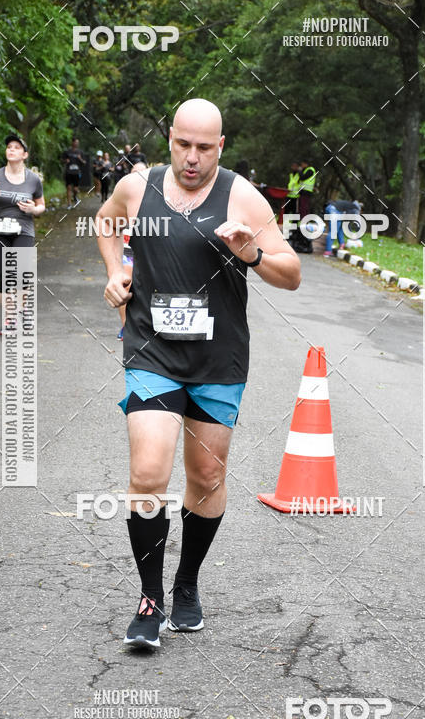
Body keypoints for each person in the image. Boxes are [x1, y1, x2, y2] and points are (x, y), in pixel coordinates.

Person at [96, 98, 301, 651]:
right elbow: (106, 223)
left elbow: (292, 273)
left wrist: (252, 252)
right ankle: (150, 598)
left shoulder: (240, 195)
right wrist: (116, 274)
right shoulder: (140, 188)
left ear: (221, 147)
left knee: (206, 478)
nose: (191, 158)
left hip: (218, 359)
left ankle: (186, 584)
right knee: (147, 472)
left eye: (204, 148)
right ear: (169, 138)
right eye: (183, 144)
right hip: (152, 351)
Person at [0, 134, 45, 333]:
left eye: (16, 147)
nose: (11, 150)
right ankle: (9, 319)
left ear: (24, 154)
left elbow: (41, 206)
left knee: (22, 276)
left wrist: (32, 209)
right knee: (4, 277)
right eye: (9, 146)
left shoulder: (33, 179)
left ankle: (23, 311)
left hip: (24, 231)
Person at [117, 161, 148, 340]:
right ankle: (125, 325)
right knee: (125, 285)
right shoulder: (122, 197)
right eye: (135, 173)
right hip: (128, 251)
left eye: (142, 173)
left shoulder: (158, 196)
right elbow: (109, 224)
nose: (138, 176)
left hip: (148, 252)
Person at [62, 137, 86, 207]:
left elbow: (84, 162)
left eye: (78, 143)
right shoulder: (67, 152)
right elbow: (62, 160)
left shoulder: (80, 152)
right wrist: (65, 161)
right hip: (68, 172)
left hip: (77, 172)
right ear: (72, 143)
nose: (77, 144)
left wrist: (80, 158)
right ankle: (69, 204)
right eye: (76, 142)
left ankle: (75, 197)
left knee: (75, 189)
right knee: (68, 188)